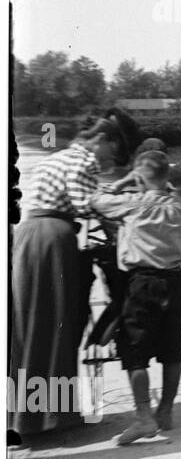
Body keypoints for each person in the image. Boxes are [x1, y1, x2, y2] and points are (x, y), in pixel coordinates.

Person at [9, 117, 128, 436]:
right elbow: (87, 204)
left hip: (30, 236)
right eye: (110, 151)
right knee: (55, 323)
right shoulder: (83, 159)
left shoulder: (60, 156)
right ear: (101, 138)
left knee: (31, 322)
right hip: (52, 239)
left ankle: (26, 415)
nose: (108, 160)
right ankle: (51, 418)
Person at [89, 151, 181, 444]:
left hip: (141, 285)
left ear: (139, 178)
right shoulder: (179, 205)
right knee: (173, 348)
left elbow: (96, 202)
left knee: (133, 350)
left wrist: (121, 183)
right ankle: (165, 411)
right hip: (175, 284)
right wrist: (170, 191)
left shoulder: (132, 203)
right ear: (167, 179)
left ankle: (144, 418)